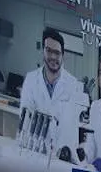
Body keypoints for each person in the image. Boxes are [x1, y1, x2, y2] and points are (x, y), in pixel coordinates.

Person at [18, 27, 83, 160]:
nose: (53, 56)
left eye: (57, 53)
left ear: (63, 55)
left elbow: (71, 128)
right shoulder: (31, 79)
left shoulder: (73, 85)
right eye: (49, 51)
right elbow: (25, 118)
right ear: (43, 51)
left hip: (58, 156)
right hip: (31, 150)